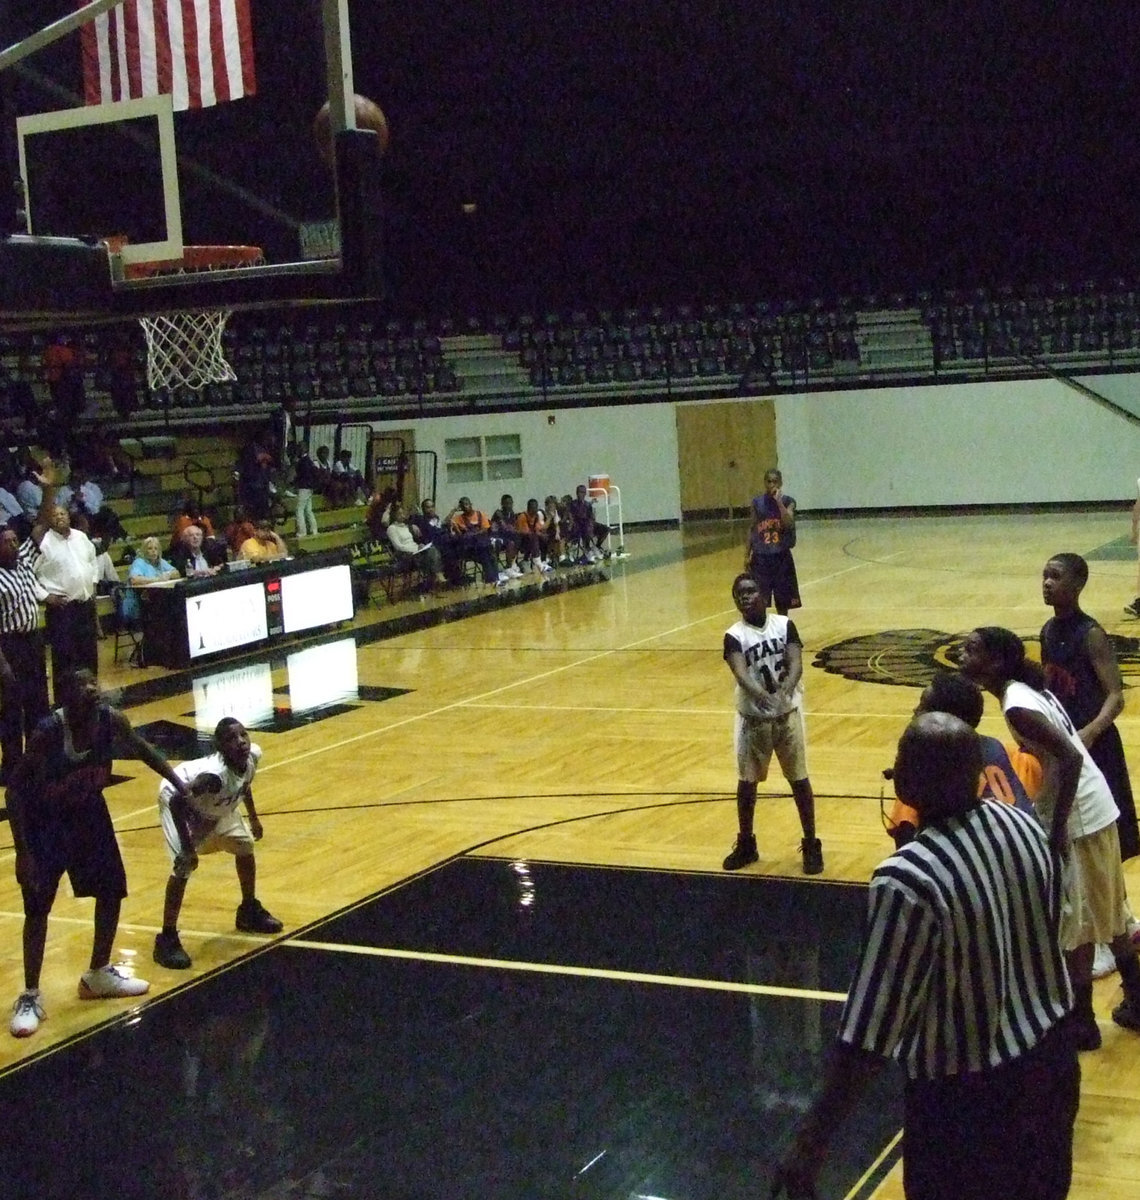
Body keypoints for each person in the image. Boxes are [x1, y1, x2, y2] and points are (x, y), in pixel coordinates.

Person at [772, 712, 1078, 1200]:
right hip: (1051, 1072)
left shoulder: (909, 878)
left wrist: (811, 1141)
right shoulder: (1023, 825)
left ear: (912, 780)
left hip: (969, 1105)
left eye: (899, 760)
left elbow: (869, 1033)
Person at [959, 626, 1140, 1050]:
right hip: (1097, 807)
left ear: (997, 662)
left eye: (972, 650)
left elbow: (1072, 755)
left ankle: (1082, 1024)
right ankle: (1137, 999)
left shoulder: (1017, 707)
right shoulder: (1024, 690)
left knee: (1077, 924)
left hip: (1081, 815)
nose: (962, 655)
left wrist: (1056, 827)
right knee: (1110, 909)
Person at [7, 668, 192, 1037]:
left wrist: (178, 783)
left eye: (94, 682)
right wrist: (22, 851)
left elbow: (143, 750)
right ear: (66, 698)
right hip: (46, 821)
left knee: (111, 889)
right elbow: (14, 792)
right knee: (38, 906)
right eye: (81, 685)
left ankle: (97, 975)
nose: (91, 688)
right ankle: (29, 994)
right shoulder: (47, 733)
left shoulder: (111, 720)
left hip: (89, 813)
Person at [153, 718, 283, 971]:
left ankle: (248, 910)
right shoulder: (213, 778)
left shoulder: (253, 755)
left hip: (213, 804)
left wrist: (254, 818)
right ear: (220, 747)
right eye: (232, 739)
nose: (241, 742)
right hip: (179, 799)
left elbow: (244, 784)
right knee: (183, 867)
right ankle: (167, 938)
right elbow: (179, 802)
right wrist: (188, 849)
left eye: (243, 735)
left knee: (245, 845)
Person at [721, 573, 823, 875]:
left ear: (764, 596)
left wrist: (785, 691)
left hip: (787, 715)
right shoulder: (734, 635)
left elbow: (796, 663)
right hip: (753, 719)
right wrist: (762, 696)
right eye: (739, 593)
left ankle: (811, 842)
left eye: (751, 591)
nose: (745, 597)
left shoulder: (784, 625)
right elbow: (740, 673)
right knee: (747, 783)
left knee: (800, 779)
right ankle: (747, 843)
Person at [886, 671, 1037, 848]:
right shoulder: (1015, 755)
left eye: (922, 706)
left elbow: (905, 838)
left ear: (941, 720)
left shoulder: (925, 770)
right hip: (1027, 854)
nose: (915, 711)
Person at [30, 459, 99, 704]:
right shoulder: (44, 539)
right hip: (63, 609)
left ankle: (91, 700)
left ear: (69, 516)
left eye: (62, 513)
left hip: (85, 606)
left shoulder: (81, 537)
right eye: (54, 514)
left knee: (89, 658)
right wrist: (44, 596)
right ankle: (64, 705)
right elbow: (30, 575)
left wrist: (91, 589)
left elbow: (92, 565)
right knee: (65, 661)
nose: (59, 517)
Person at [0, 522, 50, 785]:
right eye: (6, 541)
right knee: (11, 707)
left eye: (14, 539)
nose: (13, 544)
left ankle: (36, 758)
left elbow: (41, 527)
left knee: (38, 701)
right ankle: (11, 765)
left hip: (33, 639)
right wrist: (3, 665)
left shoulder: (25, 560)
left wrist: (48, 489)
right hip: (8, 644)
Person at [746, 466, 800, 615]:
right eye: (769, 482)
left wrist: (779, 503)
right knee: (760, 600)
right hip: (761, 558)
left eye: (775, 482)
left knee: (783, 602)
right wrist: (747, 555)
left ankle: (782, 632)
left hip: (781, 556)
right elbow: (752, 529)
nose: (772, 485)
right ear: (764, 483)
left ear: (780, 483)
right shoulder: (757, 503)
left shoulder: (789, 502)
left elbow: (788, 522)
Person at [386, 503, 447, 588]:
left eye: (403, 513)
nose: (402, 516)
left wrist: (420, 545)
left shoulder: (406, 526)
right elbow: (398, 546)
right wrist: (415, 549)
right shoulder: (391, 529)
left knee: (433, 549)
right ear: (394, 516)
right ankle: (437, 576)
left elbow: (414, 541)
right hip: (405, 554)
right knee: (430, 554)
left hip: (417, 551)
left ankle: (432, 580)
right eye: (399, 514)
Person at [448, 497, 506, 587]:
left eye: (467, 504)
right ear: (460, 508)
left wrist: (473, 534)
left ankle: (493, 579)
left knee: (488, 554)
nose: (465, 507)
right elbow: (449, 526)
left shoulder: (480, 514)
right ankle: (494, 579)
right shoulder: (458, 518)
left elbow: (485, 530)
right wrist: (453, 510)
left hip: (481, 546)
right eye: (462, 506)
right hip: (469, 549)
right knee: (489, 552)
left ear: (471, 504)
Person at [122, 536, 181, 621]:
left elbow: (177, 573)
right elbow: (135, 580)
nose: (153, 551)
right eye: (150, 548)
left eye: (156, 548)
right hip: (140, 601)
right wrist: (158, 579)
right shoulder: (139, 562)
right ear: (144, 550)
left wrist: (168, 574)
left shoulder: (161, 562)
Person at [289, 442, 322, 539]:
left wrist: (294, 483)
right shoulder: (309, 461)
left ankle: (302, 532)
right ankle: (314, 530)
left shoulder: (303, 462)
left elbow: (301, 475)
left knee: (299, 510)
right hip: (309, 487)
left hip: (303, 487)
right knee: (308, 510)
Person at [516, 498, 554, 574]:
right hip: (521, 540)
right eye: (533, 508)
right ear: (528, 508)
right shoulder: (522, 517)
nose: (535, 510)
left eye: (536, 508)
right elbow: (525, 532)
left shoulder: (535, 517)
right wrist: (538, 534)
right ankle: (537, 563)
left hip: (531, 539)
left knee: (545, 537)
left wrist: (549, 518)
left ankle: (544, 560)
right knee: (534, 537)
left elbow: (539, 529)